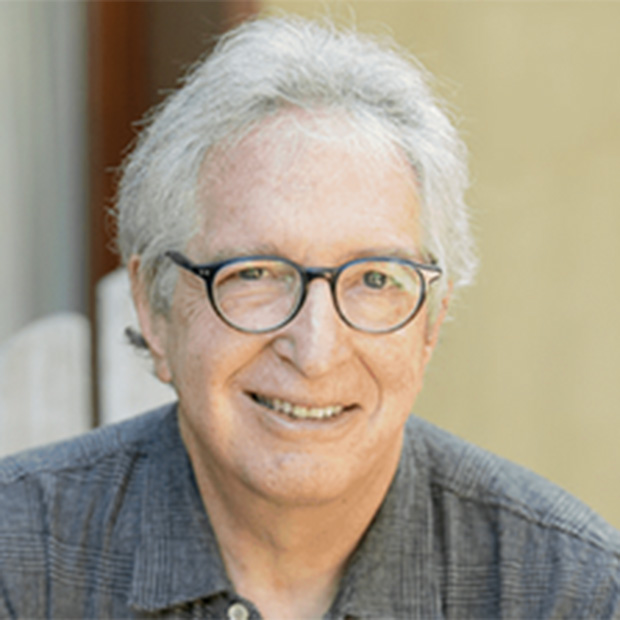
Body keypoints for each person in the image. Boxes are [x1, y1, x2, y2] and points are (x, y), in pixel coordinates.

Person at [1, 15, 619, 620]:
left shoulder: (575, 595)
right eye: (254, 274)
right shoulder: (16, 564)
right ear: (153, 308)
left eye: (374, 279)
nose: (316, 350)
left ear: (431, 323)